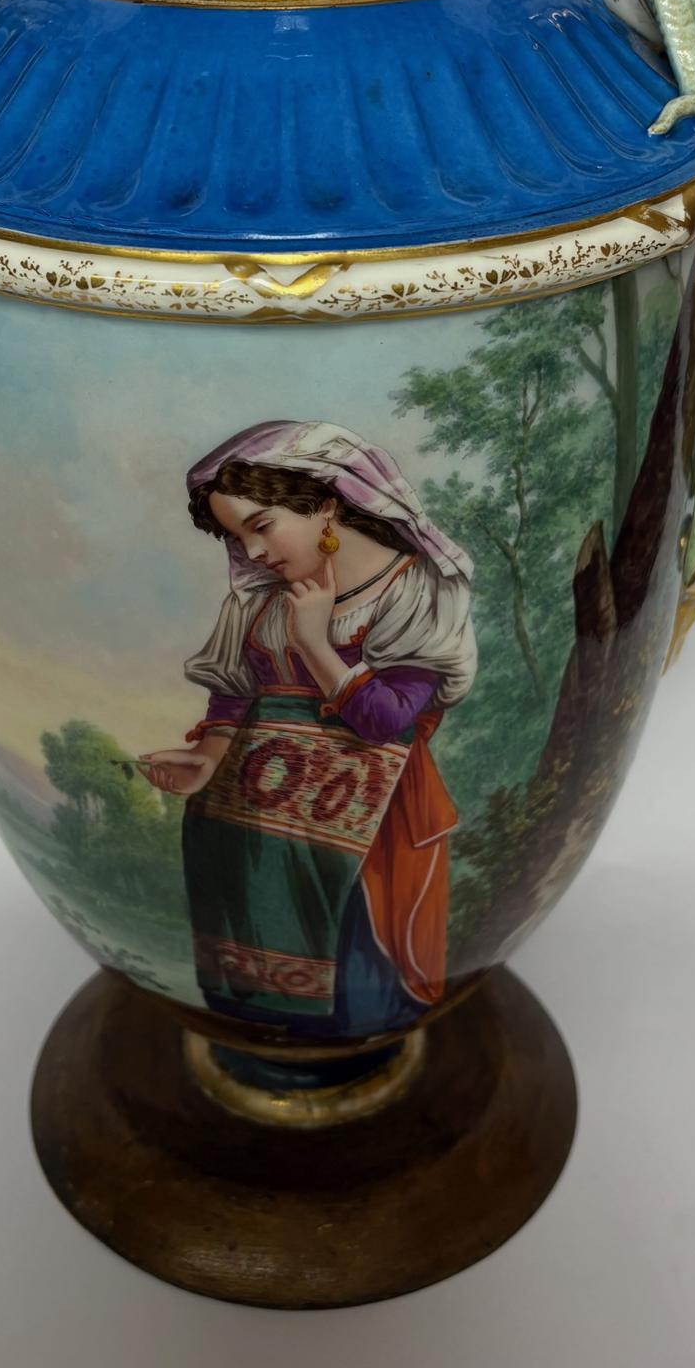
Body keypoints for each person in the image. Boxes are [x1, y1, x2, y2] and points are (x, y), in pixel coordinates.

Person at [141, 420, 476, 1036]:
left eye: (261, 525)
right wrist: (207, 760)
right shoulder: (261, 600)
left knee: (351, 996)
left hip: (363, 831)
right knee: (250, 993)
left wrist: (316, 644)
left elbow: (384, 721)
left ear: (325, 505)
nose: (254, 552)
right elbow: (233, 695)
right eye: (238, 537)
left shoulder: (415, 591)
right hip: (247, 829)